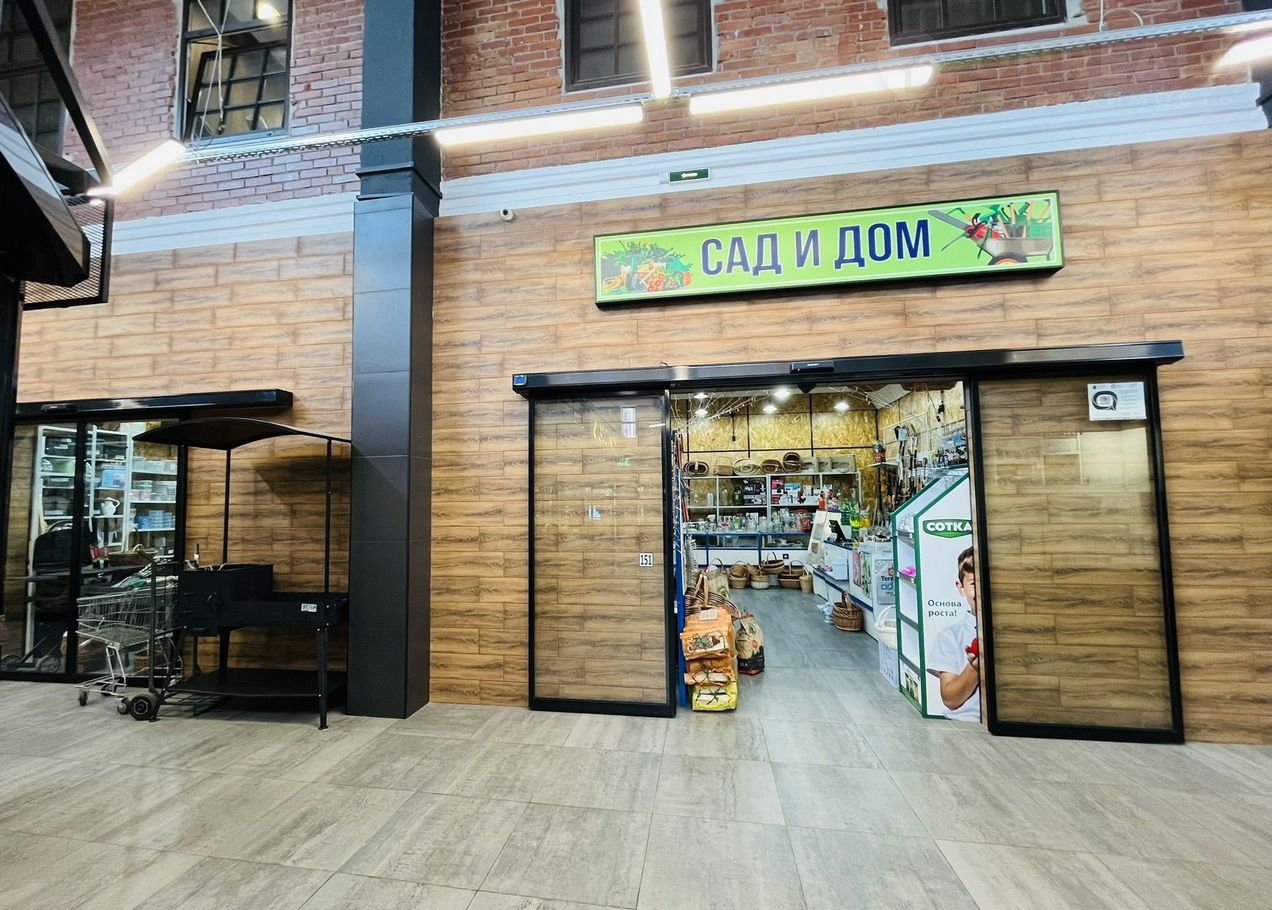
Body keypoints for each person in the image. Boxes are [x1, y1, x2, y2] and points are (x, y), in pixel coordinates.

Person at [929, 546, 980, 722]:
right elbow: (950, 699)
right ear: (961, 588)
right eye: (974, 583)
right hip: (966, 724)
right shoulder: (949, 637)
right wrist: (975, 667)